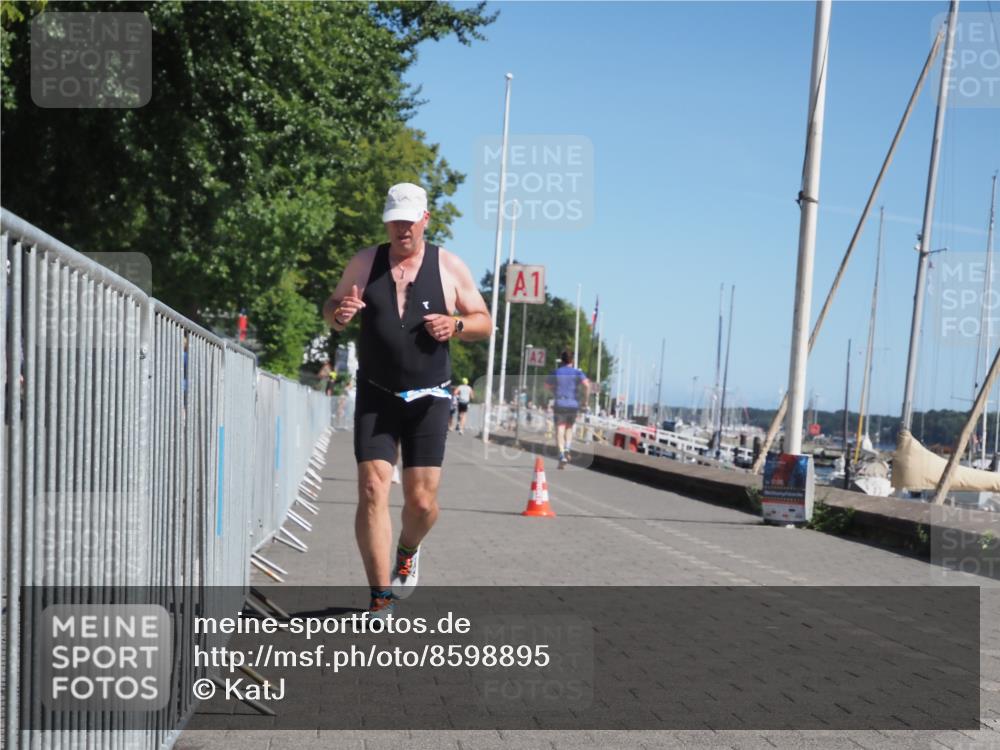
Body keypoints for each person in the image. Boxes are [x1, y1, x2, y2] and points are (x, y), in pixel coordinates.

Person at [323, 182, 491, 615]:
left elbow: (484, 321)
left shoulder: (449, 266)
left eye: (409, 221)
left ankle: (408, 549)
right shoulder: (365, 262)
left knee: (421, 503)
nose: (402, 229)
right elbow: (332, 307)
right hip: (376, 394)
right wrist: (339, 314)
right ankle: (380, 598)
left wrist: (456, 325)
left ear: (425, 220)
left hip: (429, 398)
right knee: (372, 489)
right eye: (394, 221)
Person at [544, 350, 590, 469]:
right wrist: (585, 401)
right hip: (573, 404)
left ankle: (561, 454)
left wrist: (554, 390)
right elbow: (587, 385)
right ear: (572, 360)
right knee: (569, 428)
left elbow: (546, 386)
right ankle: (567, 449)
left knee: (560, 429)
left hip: (560, 403)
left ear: (562, 360)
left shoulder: (556, 372)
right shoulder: (577, 372)